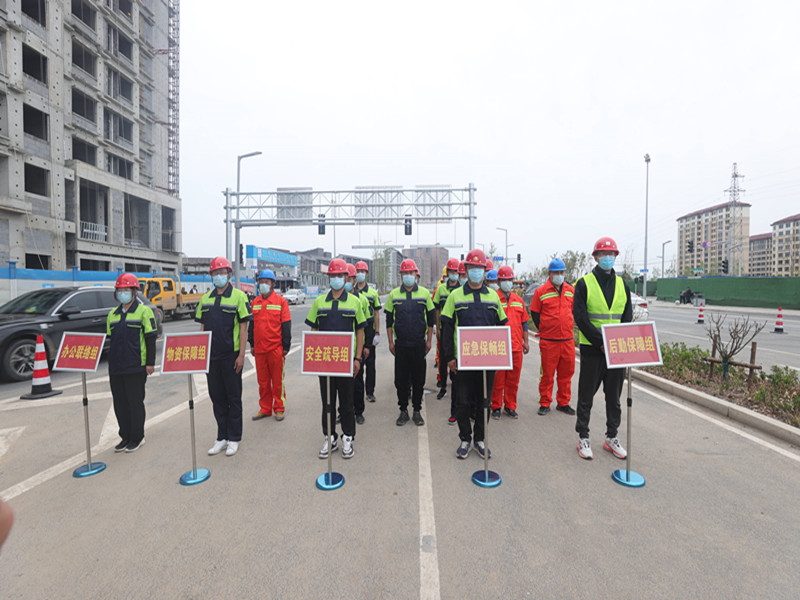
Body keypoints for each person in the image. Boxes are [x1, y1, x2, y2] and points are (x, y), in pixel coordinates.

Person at [441, 249, 508, 459]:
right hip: (463, 360)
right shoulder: (455, 296)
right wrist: (450, 358)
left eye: (480, 268)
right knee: (462, 402)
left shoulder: (494, 297)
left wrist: (501, 357)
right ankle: (464, 438)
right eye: (472, 268)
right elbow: (447, 328)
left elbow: (502, 325)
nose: (476, 271)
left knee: (484, 402)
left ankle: (479, 438)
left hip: (487, 360)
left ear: (484, 271)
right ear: (466, 270)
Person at [573, 237, 633, 460]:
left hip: (616, 351)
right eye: (603, 254)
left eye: (611, 254)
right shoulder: (584, 283)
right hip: (592, 349)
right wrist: (600, 341)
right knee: (586, 396)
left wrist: (619, 341)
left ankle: (611, 437)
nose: (608, 258)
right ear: (595, 257)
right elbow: (580, 316)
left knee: (614, 398)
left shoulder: (622, 284)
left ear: (616, 257)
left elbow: (627, 315)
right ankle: (583, 437)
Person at [306, 258, 366, 459]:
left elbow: (360, 332)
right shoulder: (319, 302)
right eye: (333, 276)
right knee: (327, 402)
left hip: (346, 362)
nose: (337, 279)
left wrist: (357, 358)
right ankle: (330, 437)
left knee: (347, 403)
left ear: (347, 278)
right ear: (328, 278)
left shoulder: (355, 302)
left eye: (340, 275)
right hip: (325, 362)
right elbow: (313, 330)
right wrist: (313, 359)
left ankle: (348, 437)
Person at [195, 257, 253, 457]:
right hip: (211, 357)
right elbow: (202, 328)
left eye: (222, 272)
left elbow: (244, 328)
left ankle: (234, 437)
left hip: (231, 357)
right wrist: (201, 355)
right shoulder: (205, 299)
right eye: (215, 273)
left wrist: (241, 355)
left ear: (229, 274)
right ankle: (221, 437)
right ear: (211, 276)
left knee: (233, 398)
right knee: (217, 397)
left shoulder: (239, 297)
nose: (218, 276)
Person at [106, 273, 157, 453]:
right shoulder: (112, 314)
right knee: (119, 403)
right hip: (116, 367)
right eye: (120, 290)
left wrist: (150, 363)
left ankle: (137, 437)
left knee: (135, 402)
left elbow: (151, 338)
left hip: (136, 365)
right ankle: (125, 436)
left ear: (135, 292)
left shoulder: (144, 311)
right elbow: (110, 340)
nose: (123, 293)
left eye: (126, 290)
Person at [385, 258, 435, 427]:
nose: (408, 275)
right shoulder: (394, 294)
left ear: (416, 275)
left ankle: (417, 411)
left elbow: (430, 320)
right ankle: (403, 411)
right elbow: (389, 321)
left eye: (411, 273)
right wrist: (390, 342)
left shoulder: (424, 294)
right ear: (401, 275)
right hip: (401, 345)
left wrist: (429, 341)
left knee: (418, 379)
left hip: (419, 345)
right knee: (400, 380)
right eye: (405, 273)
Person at [530, 258, 576, 416]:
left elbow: (573, 310)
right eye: (556, 272)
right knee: (547, 374)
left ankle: (563, 402)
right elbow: (535, 313)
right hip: (549, 341)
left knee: (566, 374)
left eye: (561, 272)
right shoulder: (541, 292)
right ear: (549, 274)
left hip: (568, 340)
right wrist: (544, 327)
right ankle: (545, 402)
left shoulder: (570, 290)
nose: (559, 275)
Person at [248, 269, 291, 422]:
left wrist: (286, 346)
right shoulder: (255, 302)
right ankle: (265, 408)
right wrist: (252, 344)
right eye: (261, 281)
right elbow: (251, 325)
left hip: (276, 349)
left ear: (273, 284)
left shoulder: (281, 302)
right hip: (259, 350)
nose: (263, 284)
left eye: (267, 282)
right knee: (263, 382)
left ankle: (279, 408)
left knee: (278, 381)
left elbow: (286, 325)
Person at [490, 266, 530, 419]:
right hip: (499, 348)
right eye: (504, 280)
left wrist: (525, 342)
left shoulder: (518, 301)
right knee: (498, 380)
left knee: (513, 380)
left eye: (509, 280)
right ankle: (496, 406)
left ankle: (510, 406)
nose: (507, 283)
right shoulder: (493, 299)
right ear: (499, 281)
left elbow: (524, 322)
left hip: (515, 347)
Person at [433, 258, 461, 404]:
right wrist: (438, 327)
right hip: (445, 330)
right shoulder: (441, 289)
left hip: (459, 331)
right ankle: (443, 387)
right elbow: (437, 309)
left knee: (459, 359)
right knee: (443, 359)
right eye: (451, 271)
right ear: (447, 273)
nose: (454, 274)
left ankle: (458, 387)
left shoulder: (462, 288)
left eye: (456, 271)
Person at [346, 263, 372, 424]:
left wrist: (367, 346)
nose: (347, 281)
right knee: (341, 386)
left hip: (356, 349)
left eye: (350, 278)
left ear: (354, 280)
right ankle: (344, 411)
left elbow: (367, 325)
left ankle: (359, 411)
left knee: (357, 382)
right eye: (344, 278)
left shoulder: (361, 300)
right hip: (338, 351)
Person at [354, 260, 382, 404]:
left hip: (369, 331)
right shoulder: (350, 292)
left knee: (370, 365)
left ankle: (370, 392)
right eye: (357, 271)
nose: (360, 274)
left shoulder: (372, 293)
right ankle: (356, 394)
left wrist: (377, 332)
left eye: (362, 272)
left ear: (367, 274)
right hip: (355, 332)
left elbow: (376, 313)